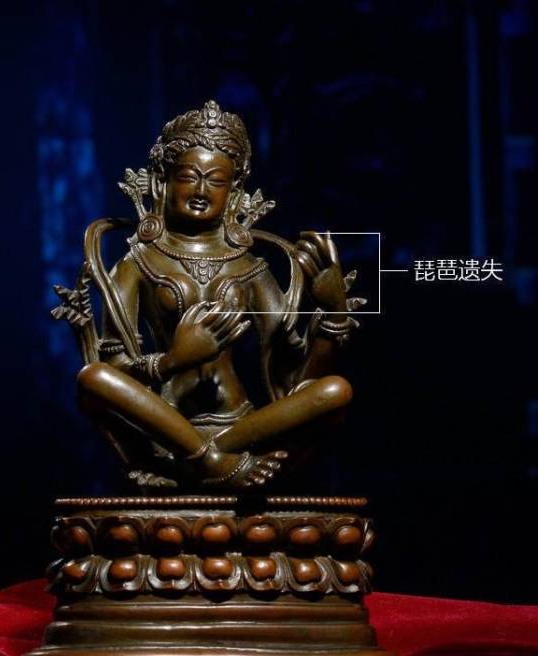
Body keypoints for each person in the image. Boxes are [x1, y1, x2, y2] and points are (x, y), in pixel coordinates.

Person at [59, 101, 360, 490]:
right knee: (93, 377)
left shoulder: (249, 268)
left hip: (240, 425)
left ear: (233, 192)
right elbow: (113, 368)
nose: (201, 191)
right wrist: (173, 360)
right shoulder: (137, 263)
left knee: (335, 391)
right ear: (162, 183)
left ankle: (203, 459)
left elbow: (295, 380)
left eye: (216, 181)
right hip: (166, 424)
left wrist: (333, 311)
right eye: (189, 177)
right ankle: (208, 461)